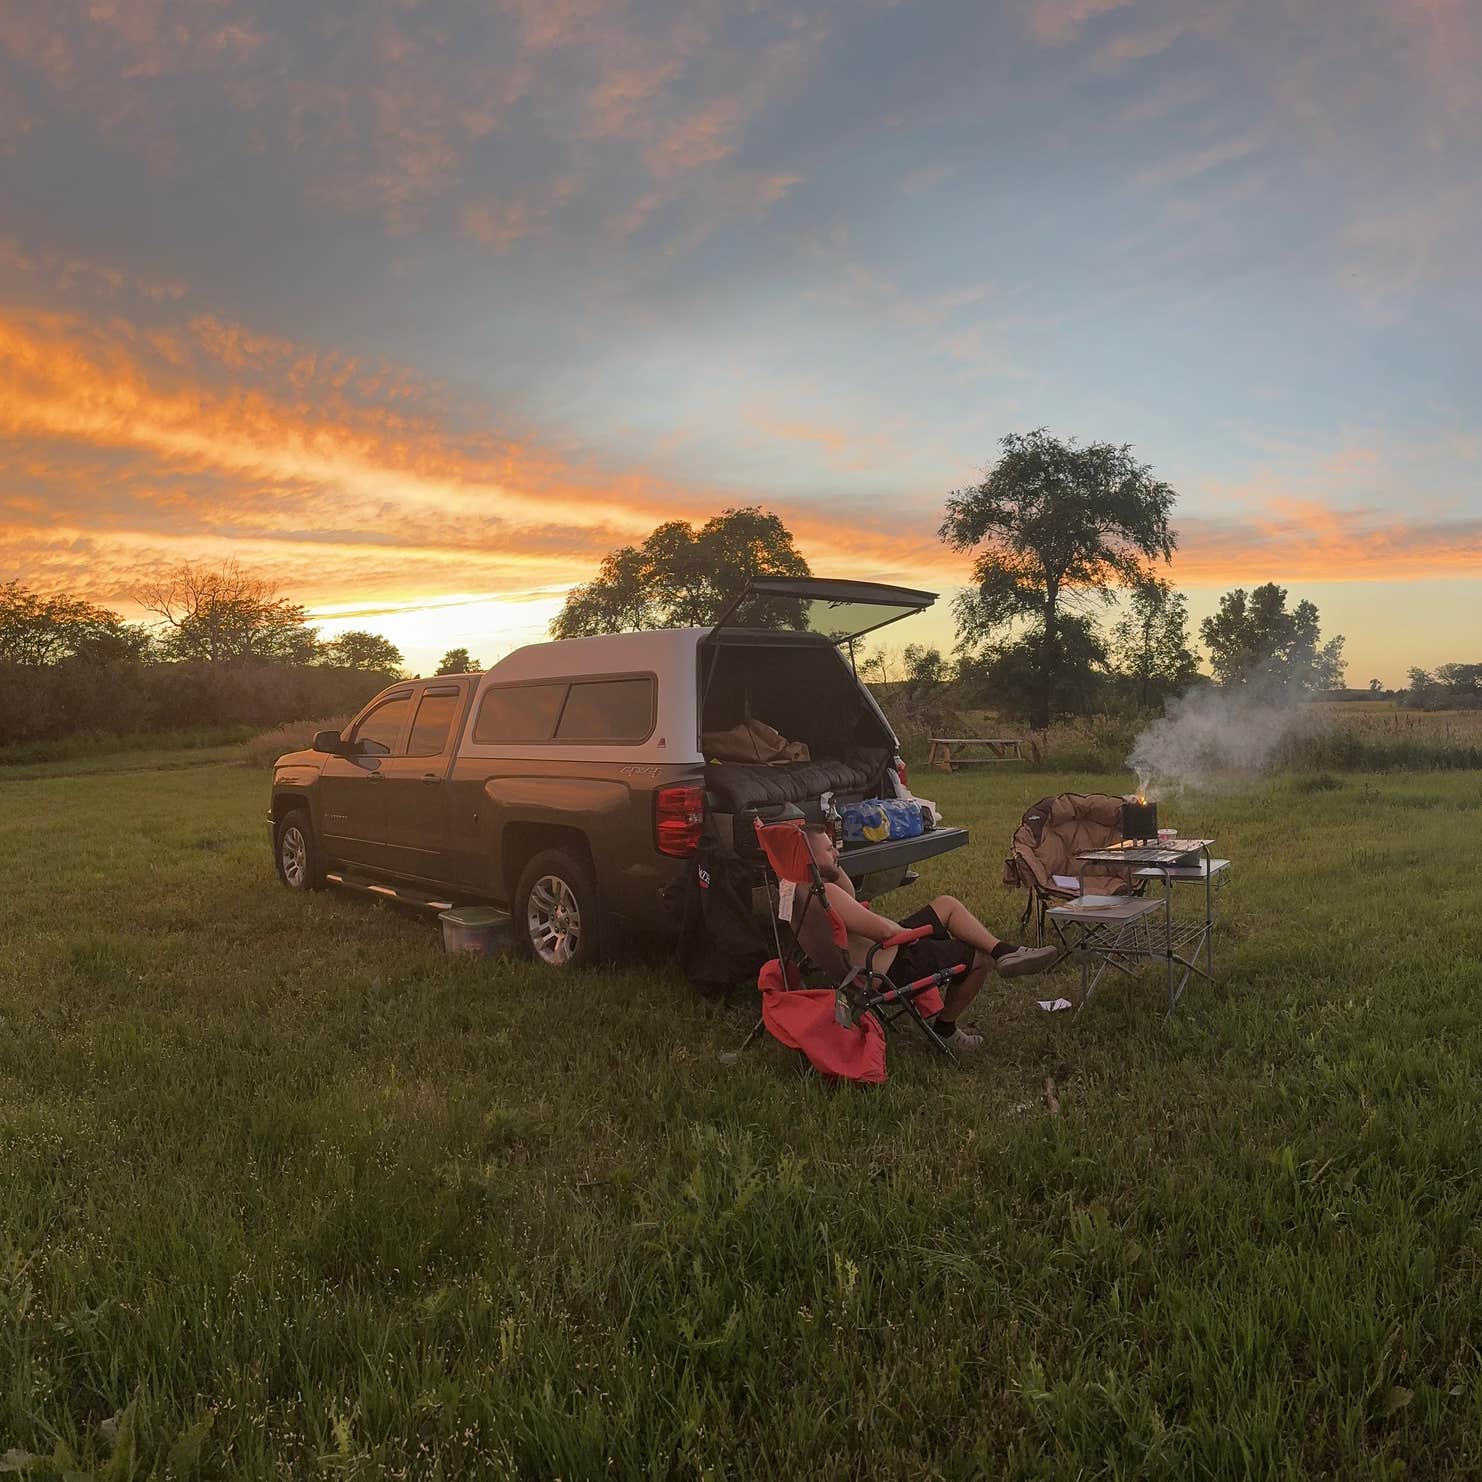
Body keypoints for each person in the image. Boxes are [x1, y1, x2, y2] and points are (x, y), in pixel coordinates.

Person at [800, 821, 1059, 1051]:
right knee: (979, 957)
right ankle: (945, 1029)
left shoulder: (796, 894)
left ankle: (1004, 951)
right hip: (885, 970)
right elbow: (884, 931)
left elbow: (852, 899)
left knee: (946, 905)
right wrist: (911, 934)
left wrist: (832, 865)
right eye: (828, 849)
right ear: (809, 857)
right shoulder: (827, 894)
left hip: (864, 963)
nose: (837, 852)